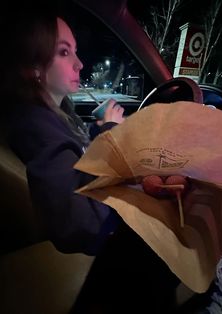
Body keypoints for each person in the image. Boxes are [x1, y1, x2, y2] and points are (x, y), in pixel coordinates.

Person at [0, 6, 180, 313]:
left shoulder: (53, 117)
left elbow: (75, 166)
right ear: (34, 66)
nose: (80, 64)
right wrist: (109, 133)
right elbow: (79, 223)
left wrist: (99, 135)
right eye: (64, 52)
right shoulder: (33, 125)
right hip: (100, 241)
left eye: (76, 52)